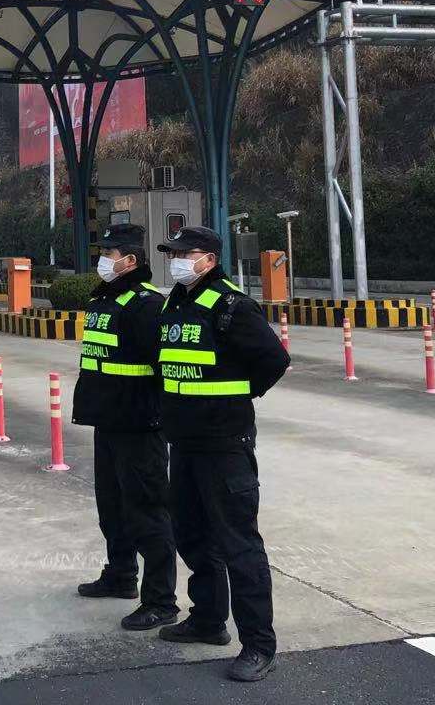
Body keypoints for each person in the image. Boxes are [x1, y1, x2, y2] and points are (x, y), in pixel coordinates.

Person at [153, 225, 290, 682]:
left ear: (208, 259)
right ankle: (208, 620)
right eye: (172, 254)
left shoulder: (232, 305)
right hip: (184, 442)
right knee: (193, 536)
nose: (176, 261)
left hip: (224, 444)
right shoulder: (176, 302)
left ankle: (259, 646)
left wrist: (235, 397)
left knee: (239, 545)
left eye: (183, 253)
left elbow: (274, 360)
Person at [72, 224, 178, 632]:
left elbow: (162, 366)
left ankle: (161, 601)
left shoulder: (146, 305)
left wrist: (159, 415)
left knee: (147, 512)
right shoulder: (106, 300)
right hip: (109, 421)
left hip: (139, 425)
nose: (102, 260)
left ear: (130, 260)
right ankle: (120, 575)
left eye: (109, 253)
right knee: (112, 507)